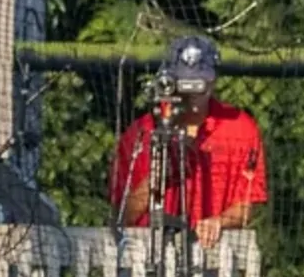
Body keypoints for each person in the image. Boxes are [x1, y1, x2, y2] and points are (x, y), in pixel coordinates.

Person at [109, 34, 267, 252]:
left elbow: (247, 205)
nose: (193, 91)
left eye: (200, 81)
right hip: (143, 257)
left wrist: (218, 221)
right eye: (185, 81)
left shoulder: (239, 128)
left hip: (212, 255)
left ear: (214, 79)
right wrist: (156, 178)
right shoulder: (141, 132)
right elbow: (121, 216)